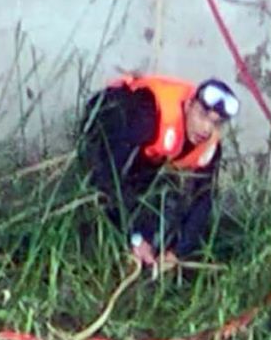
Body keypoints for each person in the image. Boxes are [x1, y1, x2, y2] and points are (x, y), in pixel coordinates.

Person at [80, 74, 239, 268]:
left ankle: (148, 256)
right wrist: (135, 238)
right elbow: (109, 174)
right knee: (107, 195)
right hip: (110, 129)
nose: (206, 128)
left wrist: (178, 252)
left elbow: (203, 199)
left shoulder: (210, 147)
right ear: (189, 105)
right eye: (202, 115)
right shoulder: (149, 116)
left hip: (148, 156)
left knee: (156, 204)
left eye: (216, 123)